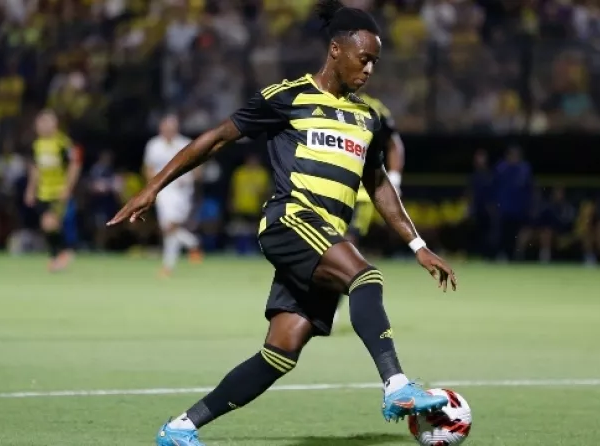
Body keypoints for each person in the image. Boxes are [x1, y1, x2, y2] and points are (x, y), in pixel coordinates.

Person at [108, 2, 457, 445]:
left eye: (375, 62)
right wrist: (152, 188)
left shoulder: (366, 118)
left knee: (281, 352)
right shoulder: (288, 96)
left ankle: (180, 428)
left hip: (326, 237)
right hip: (291, 221)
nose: (369, 69)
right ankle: (396, 384)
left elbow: (379, 185)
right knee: (365, 277)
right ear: (336, 50)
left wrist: (418, 246)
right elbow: (214, 139)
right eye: (363, 58)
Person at [333, 91, 404, 327]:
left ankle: (331, 306)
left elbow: (394, 143)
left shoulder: (374, 108)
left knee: (346, 244)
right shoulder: (322, 101)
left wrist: (394, 180)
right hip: (328, 187)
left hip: (361, 193)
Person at [144, 114, 203, 277]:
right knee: (168, 227)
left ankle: (190, 246)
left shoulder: (184, 144)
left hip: (182, 192)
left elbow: (197, 168)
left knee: (170, 228)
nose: (168, 130)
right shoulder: (154, 145)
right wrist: (152, 190)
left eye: (171, 128)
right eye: (165, 127)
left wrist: (190, 179)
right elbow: (149, 168)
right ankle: (186, 249)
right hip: (163, 191)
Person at [24, 110, 82, 272]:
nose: (42, 126)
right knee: (47, 225)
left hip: (58, 192)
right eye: (40, 123)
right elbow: (35, 169)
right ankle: (59, 254)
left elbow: (75, 165)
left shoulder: (63, 143)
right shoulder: (36, 145)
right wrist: (30, 190)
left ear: (55, 124)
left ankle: (62, 253)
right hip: (43, 192)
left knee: (50, 222)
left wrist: (68, 187)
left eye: (46, 122)